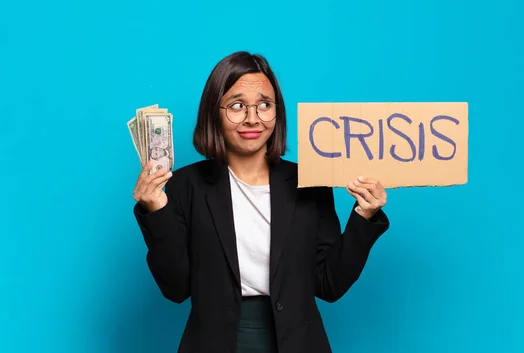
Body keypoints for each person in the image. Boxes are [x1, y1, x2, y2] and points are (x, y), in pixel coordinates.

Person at [132, 51, 391, 353]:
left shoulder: (310, 183)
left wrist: (364, 215)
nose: (252, 118)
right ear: (214, 112)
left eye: (265, 105)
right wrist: (155, 210)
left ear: (277, 112)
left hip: (297, 342)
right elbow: (175, 289)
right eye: (237, 106)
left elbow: (329, 284)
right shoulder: (184, 186)